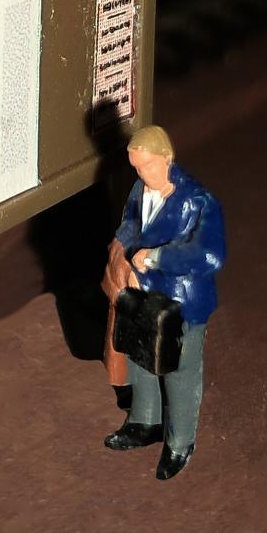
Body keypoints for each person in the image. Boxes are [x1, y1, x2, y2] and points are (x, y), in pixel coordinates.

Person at [101, 125, 226, 480]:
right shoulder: (140, 188)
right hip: (141, 292)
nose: (141, 175)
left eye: (147, 166)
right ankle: (146, 420)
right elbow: (130, 222)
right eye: (136, 168)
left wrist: (155, 258)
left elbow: (210, 256)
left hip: (181, 302)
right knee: (140, 356)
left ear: (167, 158)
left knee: (179, 371)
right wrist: (124, 253)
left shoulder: (197, 201)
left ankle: (180, 442)